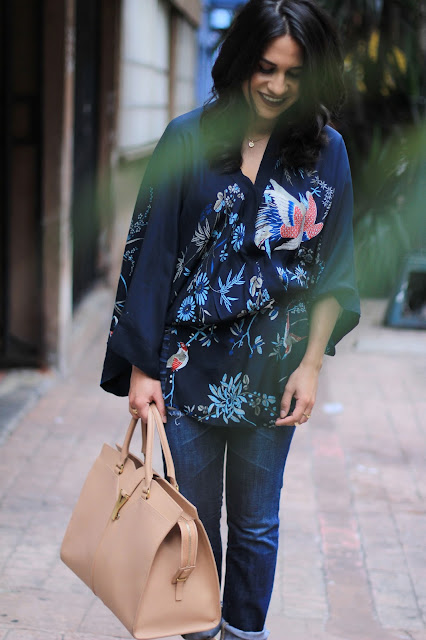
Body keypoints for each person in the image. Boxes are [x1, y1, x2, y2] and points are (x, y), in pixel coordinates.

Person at [101, 0, 360, 638]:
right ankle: (197, 630)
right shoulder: (187, 137)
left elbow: (335, 270)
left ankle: (245, 633)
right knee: (189, 522)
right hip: (184, 368)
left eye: (293, 74)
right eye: (266, 68)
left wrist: (311, 366)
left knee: (256, 525)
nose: (276, 86)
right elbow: (150, 255)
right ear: (242, 61)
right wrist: (142, 370)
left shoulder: (326, 152)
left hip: (274, 371)